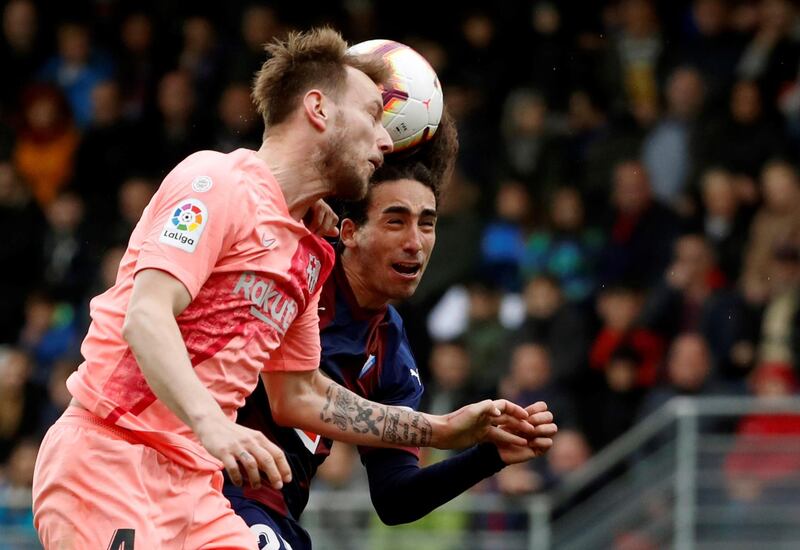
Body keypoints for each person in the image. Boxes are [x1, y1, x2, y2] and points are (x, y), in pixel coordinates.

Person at [31, 28, 534, 550]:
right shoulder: (214, 180)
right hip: (110, 458)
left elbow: (300, 394)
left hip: (196, 489)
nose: (386, 141)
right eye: (369, 115)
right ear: (317, 109)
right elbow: (146, 317)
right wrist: (215, 427)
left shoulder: (309, 253)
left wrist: (440, 430)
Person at [225, 112, 558, 549]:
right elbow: (295, 399)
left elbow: (396, 498)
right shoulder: (297, 267)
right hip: (212, 483)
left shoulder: (393, 355)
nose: (415, 241)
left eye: (427, 223)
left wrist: (488, 456)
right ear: (349, 232)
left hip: (276, 513)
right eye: (395, 221)